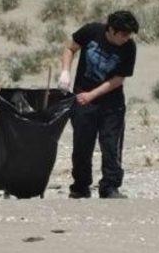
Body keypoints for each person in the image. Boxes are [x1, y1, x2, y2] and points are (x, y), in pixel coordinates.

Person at [58, 10, 139, 199]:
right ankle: (80, 186)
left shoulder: (129, 48)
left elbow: (118, 79)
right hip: (82, 99)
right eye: (124, 34)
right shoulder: (91, 31)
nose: (127, 38)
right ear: (111, 30)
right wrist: (65, 72)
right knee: (82, 145)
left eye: (130, 35)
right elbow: (70, 47)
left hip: (111, 103)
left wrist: (92, 95)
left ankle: (110, 186)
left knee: (111, 145)